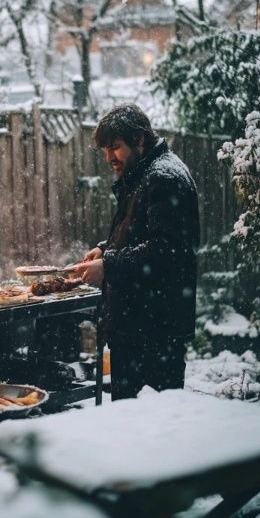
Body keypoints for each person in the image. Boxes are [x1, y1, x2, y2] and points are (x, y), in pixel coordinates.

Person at [72, 104, 200, 400]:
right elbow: (141, 235)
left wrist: (109, 265)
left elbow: (168, 252)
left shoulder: (164, 178)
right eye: (105, 149)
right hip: (137, 327)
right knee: (131, 427)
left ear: (140, 140)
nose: (108, 158)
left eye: (114, 148)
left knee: (150, 430)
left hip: (153, 332)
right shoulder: (145, 173)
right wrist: (104, 250)